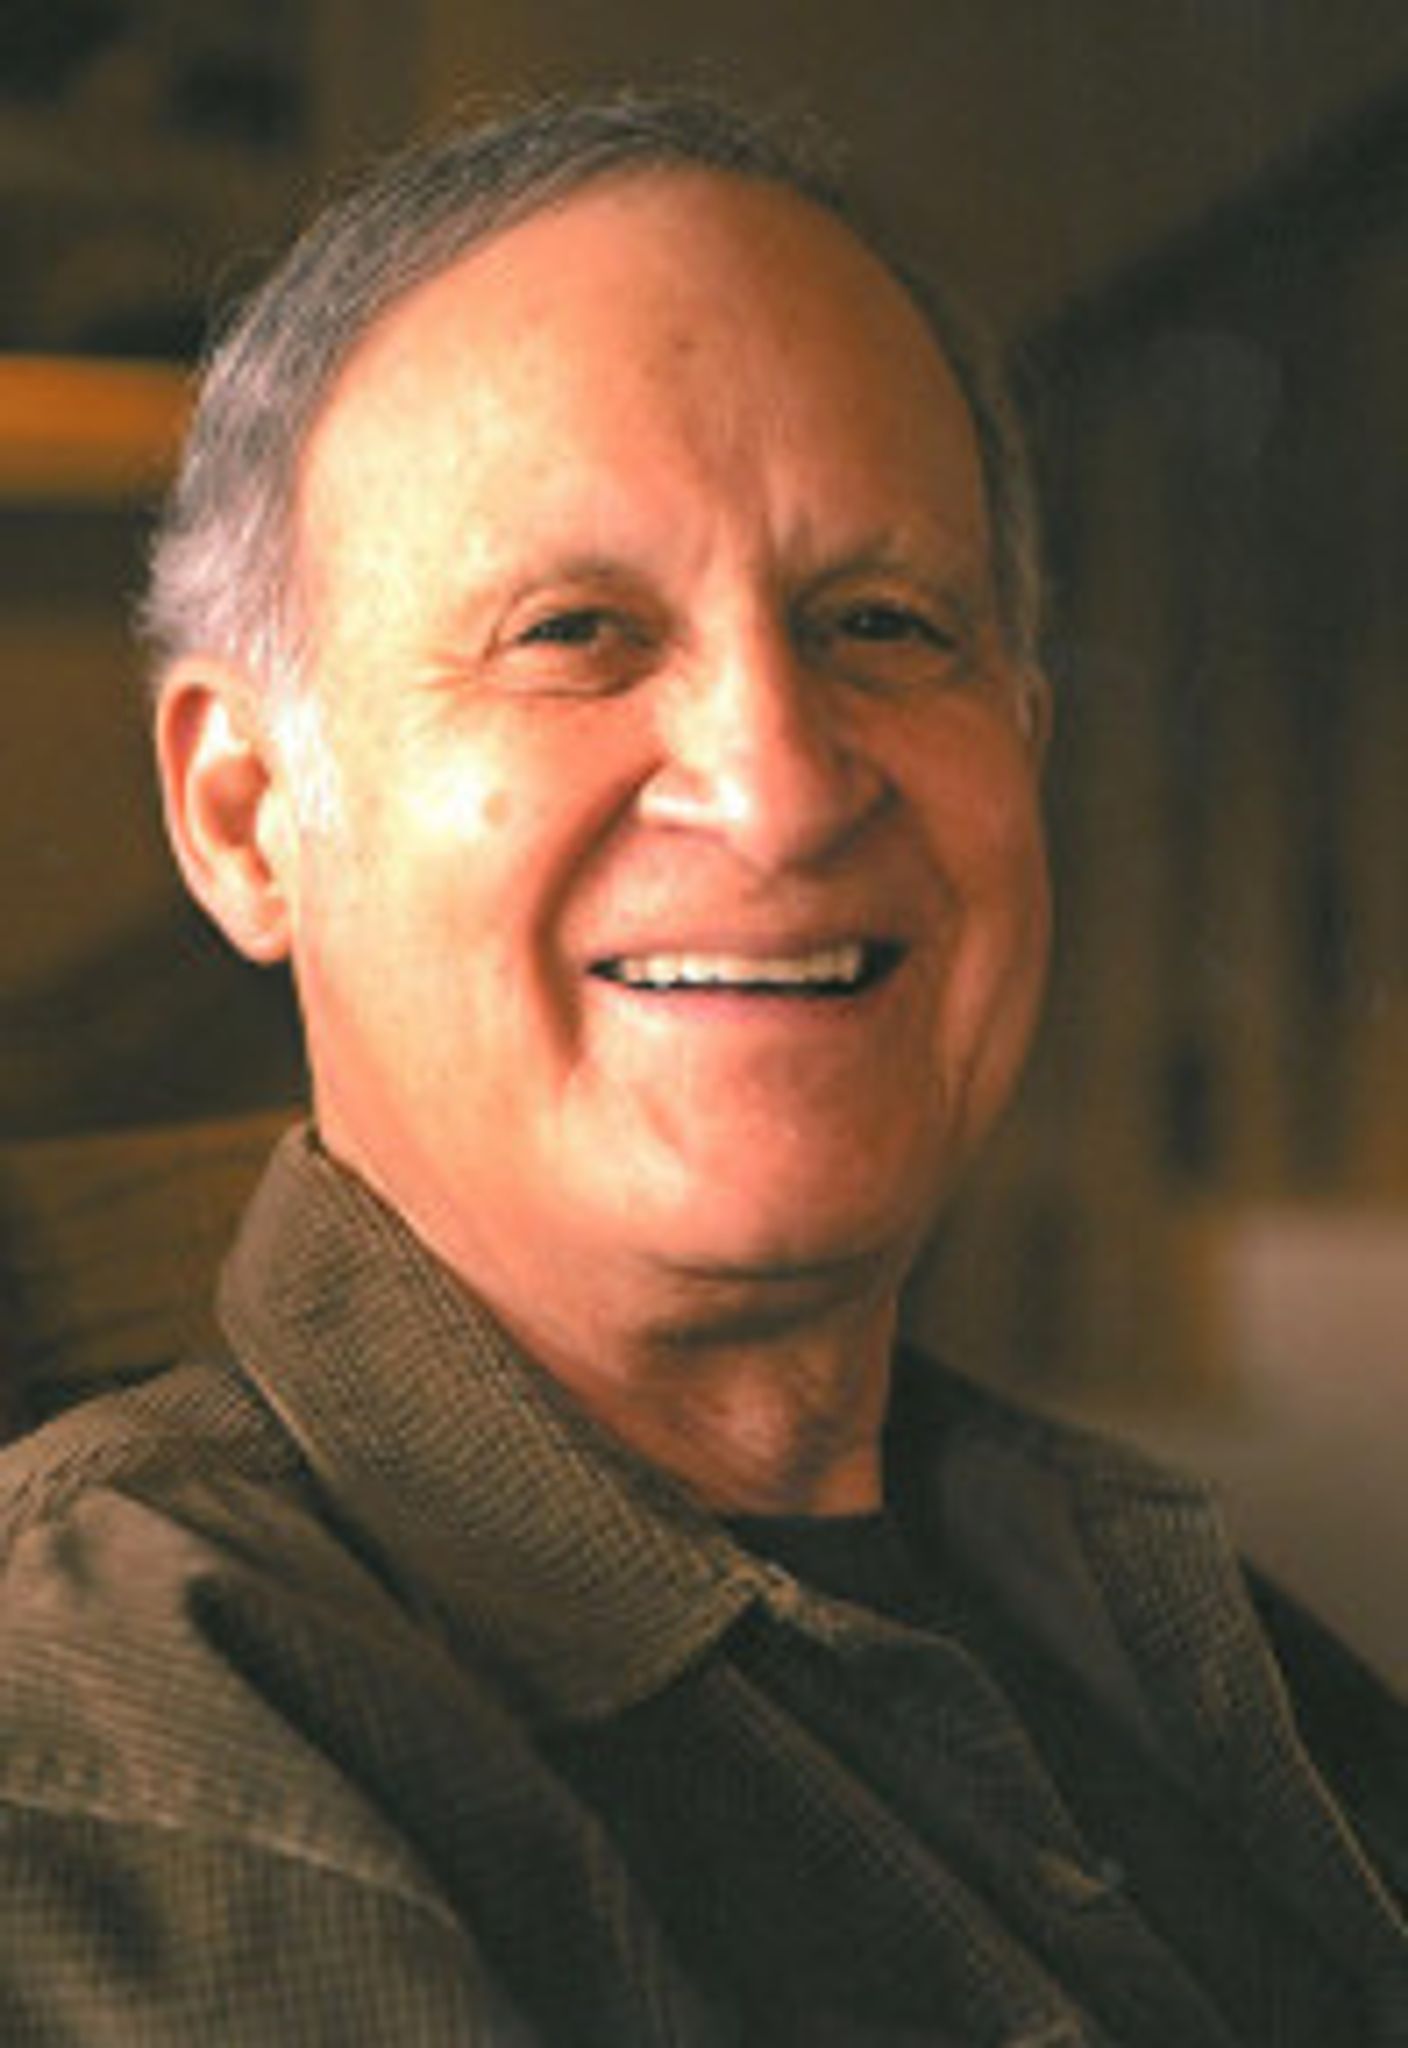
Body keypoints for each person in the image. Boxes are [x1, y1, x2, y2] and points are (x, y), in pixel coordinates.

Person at [0, 91, 1401, 2046]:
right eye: (574, 630)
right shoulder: (125, 1733)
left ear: (1021, 740)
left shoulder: (1153, 1618)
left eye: (881, 623)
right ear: (245, 818)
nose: (782, 784)